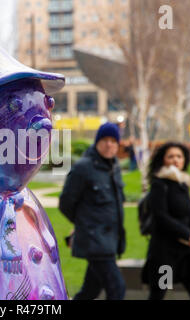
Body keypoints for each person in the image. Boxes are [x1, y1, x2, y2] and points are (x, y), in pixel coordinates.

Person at [59, 122, 126, 300]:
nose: (109, 144)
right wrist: (82, 225)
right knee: (117, 289)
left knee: (90, 291)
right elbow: (65, 203)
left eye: (113, 140)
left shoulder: (114, 167)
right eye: (105, 140)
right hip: (94, 240)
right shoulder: (83, 168)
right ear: (97, 142)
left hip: (109, 241)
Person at [141, 142, 190, 300]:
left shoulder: (183, 184)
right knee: (160, 293)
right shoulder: (159, 184)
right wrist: (188, 234)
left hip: (184, 253)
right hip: (165, 254)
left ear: (184, 161)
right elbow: (161, 216)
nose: (175, 160)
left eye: (179, 156)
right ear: (163, 160)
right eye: (171, 156)